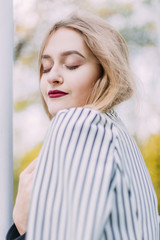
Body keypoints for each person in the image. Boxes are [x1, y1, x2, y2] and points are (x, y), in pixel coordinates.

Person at [6, 10, 159, 240]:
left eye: (72, 64)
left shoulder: (78, 122)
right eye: (45, 68)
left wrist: (23, 225)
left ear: (105, 73)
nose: (52, 77)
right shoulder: (120, 138)